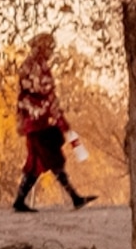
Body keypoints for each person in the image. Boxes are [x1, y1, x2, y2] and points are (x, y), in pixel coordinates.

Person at [13, 33, 95, 212]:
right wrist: (59, 120)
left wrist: (60, 120)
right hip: (36, 123)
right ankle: (75, 198)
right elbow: (43, 93)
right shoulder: (33, 67)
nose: (52, 51)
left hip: (36, 122)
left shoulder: (36, 65)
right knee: (54, 159)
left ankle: (19, 201)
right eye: (50, 47)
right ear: (42, 47)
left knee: (35, 164)